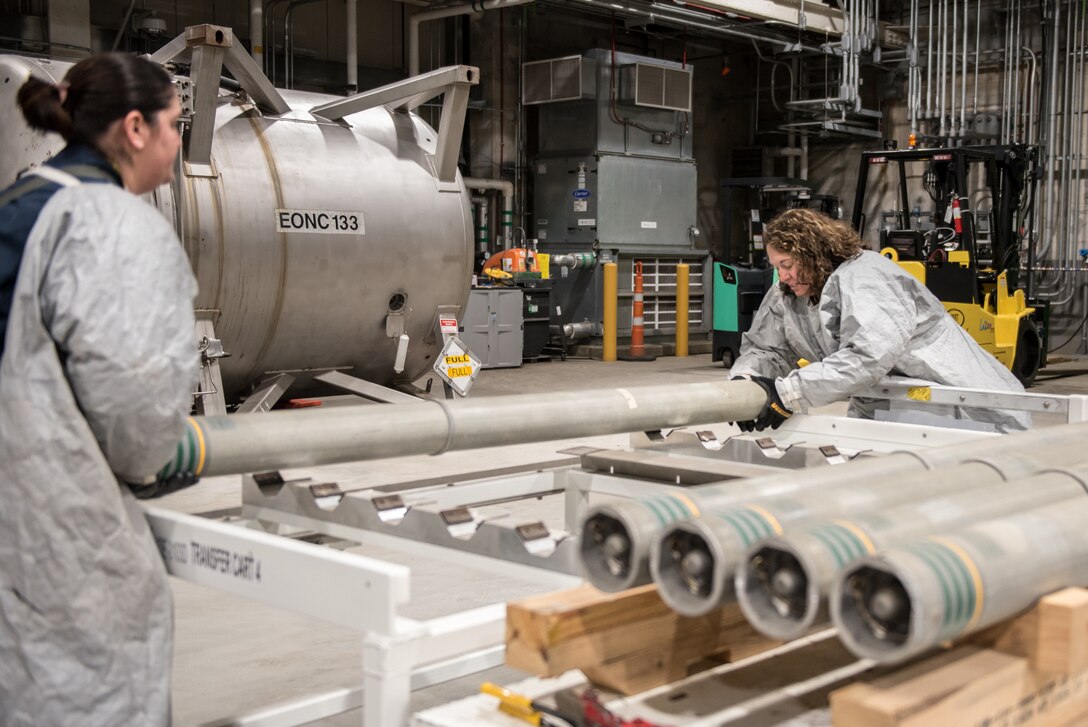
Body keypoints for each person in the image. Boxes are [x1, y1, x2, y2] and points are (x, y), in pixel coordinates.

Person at [0, 53, 198, 725]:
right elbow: (137, 422)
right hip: (51, 528)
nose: (179, 144)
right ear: (136, 128)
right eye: (176, 125)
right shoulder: (107, 224)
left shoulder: (18, 205)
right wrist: (172, 449)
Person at [730, 207, 1030, 434]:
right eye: (776, 267)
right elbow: (766, 349)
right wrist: (743, 388)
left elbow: (868, 356)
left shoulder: (866, 277)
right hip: (887, 406)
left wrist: (789, 393)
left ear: (813, 254)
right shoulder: (789, 292)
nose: (782, 276)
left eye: (787, 265)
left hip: (961, 409)